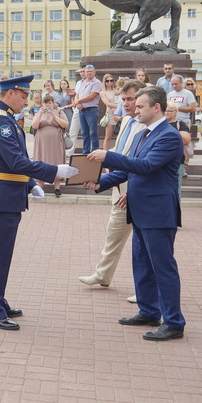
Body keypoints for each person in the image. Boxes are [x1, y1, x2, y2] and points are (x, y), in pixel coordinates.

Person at [0, 75, 77, 330]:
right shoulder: (1, 120)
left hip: (5, 194)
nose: (26, 101)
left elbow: (15, 159)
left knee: (3, 254)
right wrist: (53, 170)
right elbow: (17, 162)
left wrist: (30, 183)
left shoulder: (6, 117)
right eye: (23, 96)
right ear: (10, 93)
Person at [85, 86, 185, 342]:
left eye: (140, 106)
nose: (134, 110)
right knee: (142, 264)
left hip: (158, 211)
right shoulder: (145, 134)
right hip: (139, 209)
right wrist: (101, 184)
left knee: (162, 267)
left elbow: (147, 166)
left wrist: (109, 156)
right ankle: (149, 311)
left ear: (157, 107)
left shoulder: (168, 135)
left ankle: (173, 321)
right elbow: (132, 171)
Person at [78, 80, 147, 288]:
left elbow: (143, 165)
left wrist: (106, 158)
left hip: (138, 192)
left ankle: (145, 291)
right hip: (120, 188)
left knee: (144, 245)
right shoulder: (126, 121)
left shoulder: (150, 127)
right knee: (113, 235)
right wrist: (97, 176)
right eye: (123, 99)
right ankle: (102, 274)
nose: (125, 103)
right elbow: (118, 152)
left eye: (131, 99)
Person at [31, 94, 69, 197]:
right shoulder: (39, 113)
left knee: (56, 162)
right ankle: (40, 187)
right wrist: (39, 114)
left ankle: (57, 188)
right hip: (42, 143)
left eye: (49, 102)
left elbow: (65, 124)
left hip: (56, 142)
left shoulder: (59, 112)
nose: (47, 105)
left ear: (53, 103)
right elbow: (34, 125)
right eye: (45, 102)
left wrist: (55, 116)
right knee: (42, 161)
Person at [74, 64, 103, 154]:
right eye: (87, 71)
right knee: (84, 133)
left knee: (93, 133)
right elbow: (77, 94)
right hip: (82, 110)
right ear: (85, 73)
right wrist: (77, 103)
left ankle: (95, 152)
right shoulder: (82, 82)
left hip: (91, 110)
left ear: (94, 72)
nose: (89, 73)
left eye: (91, 71)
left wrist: (78, 101)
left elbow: (91, 96)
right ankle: (85, 152)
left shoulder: (97, 83)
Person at [165, 103, 193, 195]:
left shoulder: (179, 124)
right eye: (166, 110)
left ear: (175, 113)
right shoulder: (158, 124)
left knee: (176, 190)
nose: (167, 112)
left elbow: (186, 140)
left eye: (170, 111)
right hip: (160, 161)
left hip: (177, 162)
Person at [100, 74, 119, 150]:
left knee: (120, 134)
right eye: (107, 81)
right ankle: (105, 152)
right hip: (110, 114)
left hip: (119, 113)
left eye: (111, 80)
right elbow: (107, 103)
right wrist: (119, 106)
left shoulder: (116, 90)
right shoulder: (103, 92)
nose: (109, 82)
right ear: (104, 82)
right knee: (108, 136)